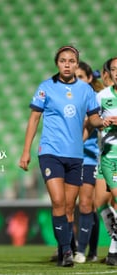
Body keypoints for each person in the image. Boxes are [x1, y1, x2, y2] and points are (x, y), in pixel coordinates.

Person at [19, 45, 110, 267]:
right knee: (58, 201)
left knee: (70, 207)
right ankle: (67, 251)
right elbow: (34, 119)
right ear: (57, 63)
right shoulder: (46, 88)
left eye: (71, 61)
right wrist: (25, 151)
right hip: (50, 152)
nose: (67, 64)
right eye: (63, 60)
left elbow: (94, 118)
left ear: (76, 64)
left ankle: (64, 248)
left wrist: (103, 121)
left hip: (75, 156)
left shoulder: (86, 91)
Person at [73, 61, 106, 263]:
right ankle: (87, 250)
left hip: (91, 157)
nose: (77, 81)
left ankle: (81, 251)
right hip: (73, 156)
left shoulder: (96, 100)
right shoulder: (68, 99)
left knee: (87, 204)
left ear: (90, 78)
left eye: (81, 77)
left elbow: (89, 129)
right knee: (79, 205)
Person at [96, 57, 117, 265]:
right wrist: (100, 122)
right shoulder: (102, 96)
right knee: (101, 202)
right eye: (113, 69)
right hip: (110, 157)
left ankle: (113, 251)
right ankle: (113, 250)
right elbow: (91, 120)